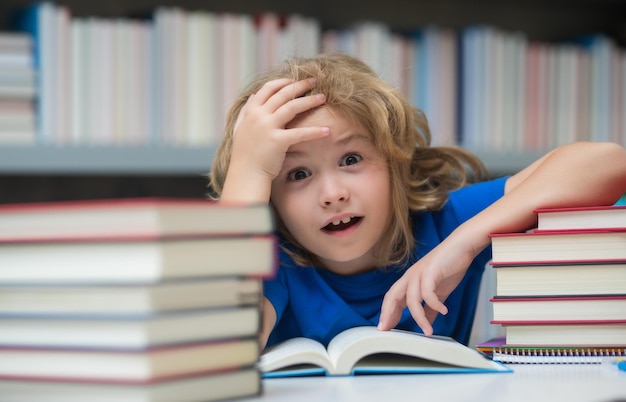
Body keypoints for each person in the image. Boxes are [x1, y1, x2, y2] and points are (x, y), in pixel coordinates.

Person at [208, 53, 626, 349]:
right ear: (270, 202)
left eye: (351, 159)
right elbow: (219, 342)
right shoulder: (272, 264)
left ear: (396, 165)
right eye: (298, 175)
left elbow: (607, 163)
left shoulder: (445, 225)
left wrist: (464, 244)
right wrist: (247, 171)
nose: (333, 193)